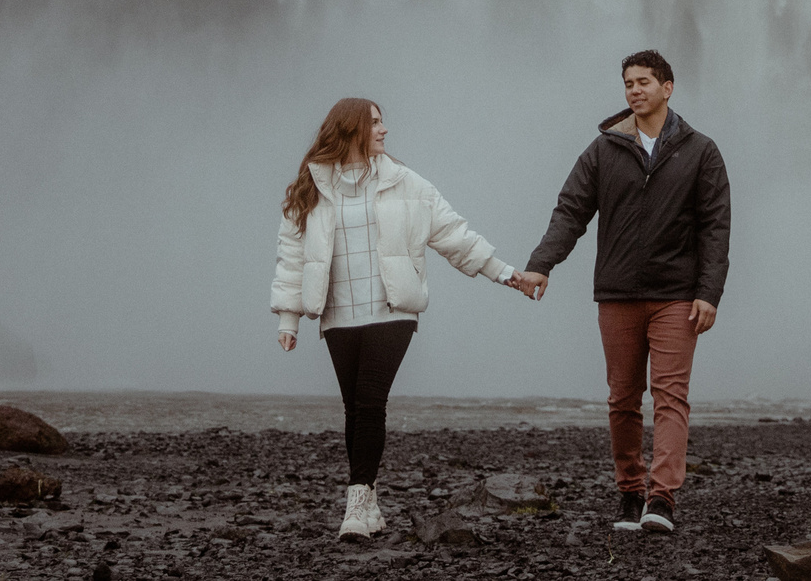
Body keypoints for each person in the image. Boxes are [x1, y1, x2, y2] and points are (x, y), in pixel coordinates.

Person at [271, 97, 538, 541]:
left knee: (372, 401)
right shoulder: (312, 187)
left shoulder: (406, 184)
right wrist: (287, 317)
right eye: (375, 123)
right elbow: (293, 255)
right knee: (354, 408)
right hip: (337, 316)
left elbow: (454, 235)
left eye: (383, 122)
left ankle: (355, 505)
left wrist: (507, 274)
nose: (384, 130)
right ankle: (369, 500)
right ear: (351, 129)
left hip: (392, 311)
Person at [516, 49, 730, 537]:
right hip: (617, 294)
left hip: (677, 294)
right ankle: (630, 490)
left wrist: (709, 292)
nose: (634, 90)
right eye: (628, 83)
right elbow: (571, 211)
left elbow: (716, 228)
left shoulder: (701, 151)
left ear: (668, 87)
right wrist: (540, 265)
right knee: (623, 398)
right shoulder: (603, 150)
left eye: (644, 82)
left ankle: (662, 497)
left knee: (671, 395)